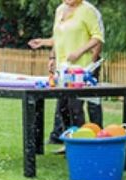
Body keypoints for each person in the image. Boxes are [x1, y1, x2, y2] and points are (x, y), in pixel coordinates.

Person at [28, 0, 104, 152]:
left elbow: (97, 37)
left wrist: (79, 52)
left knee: (75, 107)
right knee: (63, 107)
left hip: (81, 68)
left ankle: (84, 144)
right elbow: (58, 38)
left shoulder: (87, 10)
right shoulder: (60, 10)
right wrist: (48, 51)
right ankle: (72, 140)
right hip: (63, 69)